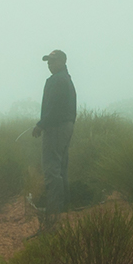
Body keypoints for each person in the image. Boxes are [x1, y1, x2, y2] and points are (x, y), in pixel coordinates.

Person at [32, 49, 77, 225]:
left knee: (51, 168)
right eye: (48, 62)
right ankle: (64, 208)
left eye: (53, 61)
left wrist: (41, 125)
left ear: (63, 62)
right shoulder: (66, 79)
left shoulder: (57, 80)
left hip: (56, 127)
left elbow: (54, 107)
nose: (50, 64)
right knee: (61, 167)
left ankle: (54, 211)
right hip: (65, 126)